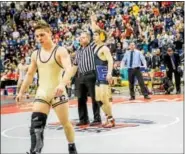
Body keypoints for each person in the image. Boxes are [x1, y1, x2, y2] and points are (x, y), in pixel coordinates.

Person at [16, 20, 77, 154]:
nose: (39, 39)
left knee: (66, 124)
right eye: (37, 36)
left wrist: (62, 84)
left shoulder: (60, 51)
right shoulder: (35, 54)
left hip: (58, 93)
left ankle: (72, 147)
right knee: (36, 125)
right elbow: (30, 74)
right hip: (42, 93)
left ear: (49, 33)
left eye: (42, 35)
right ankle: (35, 151)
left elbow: (69, 69)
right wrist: (21, 91)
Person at [64, 31, 101, 126]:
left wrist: (94, 24)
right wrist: (69, 78)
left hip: (91, 75)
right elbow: (75, 66)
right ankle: (83, 119)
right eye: (80, 38)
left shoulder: (92, 47)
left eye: (83, 37)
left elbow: (98, 38)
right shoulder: (79, 51)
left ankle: (97, 118)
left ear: (89, 39)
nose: (81, 39)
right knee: (80, 98)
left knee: (94, 98)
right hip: (80, 76)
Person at [91, 14, 115, 127]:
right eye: (94, 35)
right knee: (98, 99)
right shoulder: (95, 47)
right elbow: (96, 29)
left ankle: (111, 119)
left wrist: (109, 74)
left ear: (101, 37)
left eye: (96, 35)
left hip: (103, 74)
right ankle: (108, 117)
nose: (94, 36)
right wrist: (92, 20)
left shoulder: (104, 48)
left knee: (105, 99)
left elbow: (110, 61)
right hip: (97, 76)